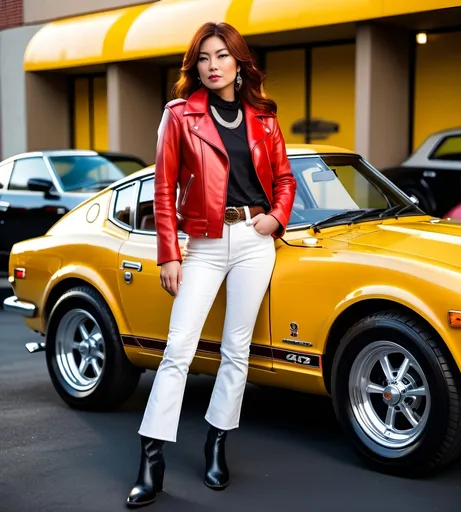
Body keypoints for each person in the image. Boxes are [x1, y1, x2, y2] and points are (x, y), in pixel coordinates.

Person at [126, 21, 296, 508]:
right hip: (201, 243)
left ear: (239, 63)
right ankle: (151, 457)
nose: (213, 65)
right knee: (179, 348)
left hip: (252, 241)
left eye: (222, 55)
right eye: (203, 57)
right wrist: (169, 254)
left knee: (236, 350)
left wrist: (275, 219)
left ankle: (217, 441)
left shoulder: (264, 117)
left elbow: (285, 179)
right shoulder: (179, 115)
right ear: (194, 66)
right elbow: (163, 188)